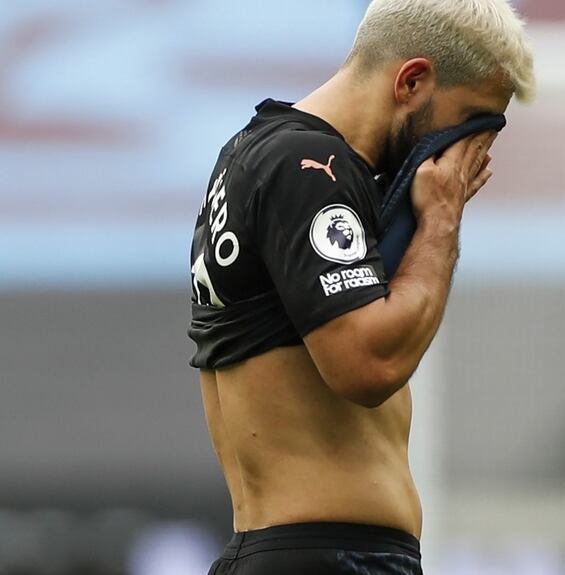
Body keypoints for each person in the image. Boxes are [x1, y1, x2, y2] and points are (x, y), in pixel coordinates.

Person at [186, 1, 535, 573]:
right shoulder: (307, 166)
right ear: (412, 80)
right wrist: (440, 220)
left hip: (301, 550)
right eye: (471, 120)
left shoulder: (260, 155)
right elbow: (365, 363)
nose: (474, 150)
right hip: (330, 555)